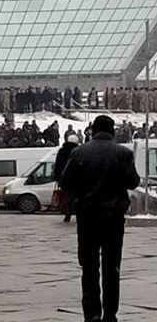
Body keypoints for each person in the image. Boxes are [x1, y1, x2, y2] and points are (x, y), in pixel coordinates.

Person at [60, 115, 140, 322]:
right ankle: (110, 314)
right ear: (112, 131)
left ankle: (92, 314)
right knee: (112, 268)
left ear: (93, 130)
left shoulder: (79, 152)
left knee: (89, 268)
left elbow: (65, 181)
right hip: (114, 218)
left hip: (87, 218)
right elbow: (133, 182)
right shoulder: (124, 153)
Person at [53, 134, 80, 222]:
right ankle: (77, 214)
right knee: (76, 197)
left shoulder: (61, 151)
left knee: (66, 197)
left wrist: (57, 178)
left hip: (64, 179)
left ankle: (67, 215)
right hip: (76, 179)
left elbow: (58, 165)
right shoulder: (78, 151)